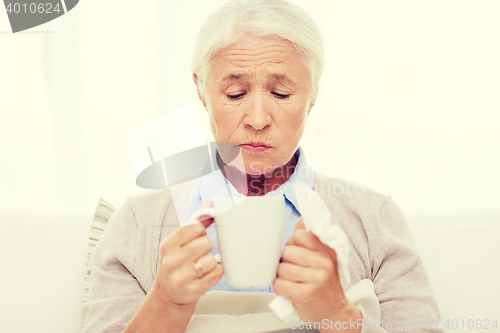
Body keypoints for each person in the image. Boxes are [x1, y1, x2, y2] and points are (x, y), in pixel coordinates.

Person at [81, 0, 443, 332]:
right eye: (235, 94)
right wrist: (165, 303)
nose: (257, 118)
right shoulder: (137, 227)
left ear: (313, 94)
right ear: (201, 91)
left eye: (281, 93)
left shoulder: (373, 220)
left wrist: (338, 314)